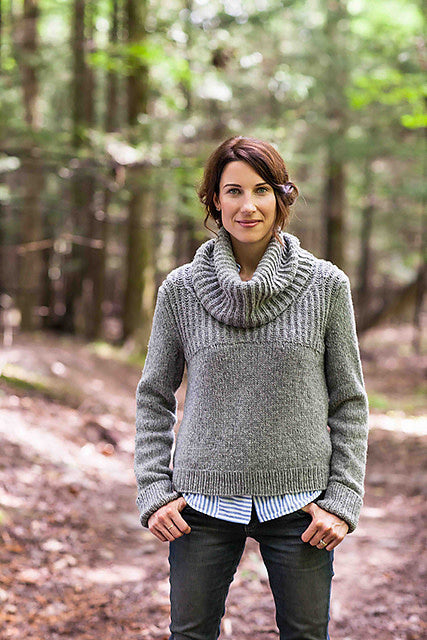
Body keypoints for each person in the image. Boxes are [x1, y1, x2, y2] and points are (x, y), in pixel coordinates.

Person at [134, 136, 369, 640]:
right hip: (201, 505)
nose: (248, 205)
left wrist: (342, 499)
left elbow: (349, 401)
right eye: (233, 191)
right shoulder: (180, 290)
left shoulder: (326, 286)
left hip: (302, 507)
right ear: (214, 201)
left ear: (281, 197)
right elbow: (154, 397)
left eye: (261, 190)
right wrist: (154, 489)